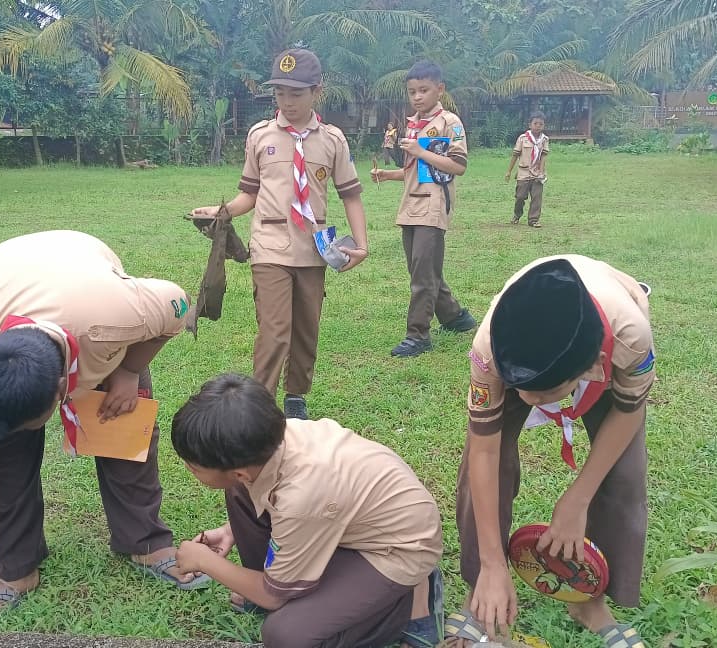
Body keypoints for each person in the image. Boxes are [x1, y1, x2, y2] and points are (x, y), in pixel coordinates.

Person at [0, 230, 208, 626]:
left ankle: (146, 542)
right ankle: (17, 569)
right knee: (6, 458)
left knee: (124, 425)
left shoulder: (114, 318)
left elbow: (178, 303)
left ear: (60, 393)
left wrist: (129, 370)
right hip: (4, 265)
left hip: (82, 271)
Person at [446, 256, 653, 648]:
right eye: (521, 388)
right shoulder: (490, 347)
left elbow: (629, 412)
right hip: (522, 346)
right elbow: (486, 453)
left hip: (605, 335)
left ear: (593, 368)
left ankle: (589, 601)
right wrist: (492, 562)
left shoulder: (632, 339)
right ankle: (481, 591)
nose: (528, 399)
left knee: (624, 474)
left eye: (544, 393)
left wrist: (578, 498)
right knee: (479, 469)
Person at [172, 374, 444, 648]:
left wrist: (205, 561)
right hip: (345, 523)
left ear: (241, 472)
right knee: (239, 492)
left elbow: (273, 594)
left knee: (286, 635)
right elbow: (290, 505)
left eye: (193, 467)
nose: (188, 469)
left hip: (397, 550)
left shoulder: (303, 495)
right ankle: (285, 584)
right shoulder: (271, 439)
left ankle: (407, 601)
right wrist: (231, 530)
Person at [190, 49, 369, 420]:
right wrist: (220, 212)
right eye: (280, 92)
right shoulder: (260, 136)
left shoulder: (333, 141)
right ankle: (261, 401)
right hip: (269, 247)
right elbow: (249, 195)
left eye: (296, 93)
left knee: (306, 328)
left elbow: (350, 194)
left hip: (313, 249)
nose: (287, 101)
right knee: (275, 329)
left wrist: (362, 244)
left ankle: (296, 396)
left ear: (316, 91)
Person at [370, 60, 477, 358]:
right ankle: (455, 317)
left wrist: (420, 151)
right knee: (422, 268)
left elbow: (458, 166)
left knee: (422, 273)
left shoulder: (449, 122)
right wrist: (388, 175)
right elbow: (415, 170)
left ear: (439, 89)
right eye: (412, 91)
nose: (417, 97)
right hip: (410, 204)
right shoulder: (413, 124)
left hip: (433, 205)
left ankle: (418, 335)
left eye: (424, 90)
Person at [505, 112, 550, 227]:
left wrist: (541, 171)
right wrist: (509, 171)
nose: (538, 126)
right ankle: (517, 214)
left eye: (541, 124)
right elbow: (515, 155)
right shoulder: (523, 138)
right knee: (520, 197)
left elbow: (543, 156)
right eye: (535, 123)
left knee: (537, 197)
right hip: (523, 172)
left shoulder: (544, 139)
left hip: (537, 173)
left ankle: (533, 220)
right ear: (530, 124)